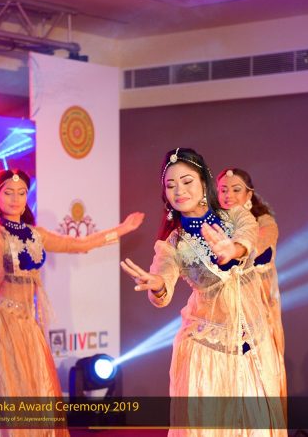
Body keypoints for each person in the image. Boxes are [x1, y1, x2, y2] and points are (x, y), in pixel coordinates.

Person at [0, 168, 143, 437]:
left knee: (37, 385)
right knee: (12, 387)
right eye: (8, 193)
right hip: (1, 320)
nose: (15, 199)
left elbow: (78, 245)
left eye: (21, 193)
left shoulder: (35, 234)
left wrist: (122, 229)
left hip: (26, 320)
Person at [121, 148, 285, 436]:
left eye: (187, 182)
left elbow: (249, 234)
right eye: (171, 185)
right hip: (207, 354)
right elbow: (163, 275)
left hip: (254, 346)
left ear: (204, 182)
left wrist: (234, 249)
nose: (179, 191)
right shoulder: (173, 243)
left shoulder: (235, 216)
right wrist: (158, 284)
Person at [217, 167, 287, 401]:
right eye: (223, 190)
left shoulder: (264, 223)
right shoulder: (212, 225)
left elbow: (259, 249)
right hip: (222, 314)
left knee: (253, 385)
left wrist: (234, 251)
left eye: (236, 190)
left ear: (249, 194)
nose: (228, 195)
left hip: (255, 312)